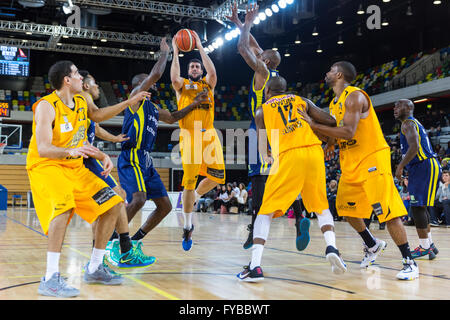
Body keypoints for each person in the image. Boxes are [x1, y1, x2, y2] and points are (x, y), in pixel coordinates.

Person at [299, 61, 418, 280]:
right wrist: (327, 142)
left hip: (371, 158)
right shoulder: (335, 103)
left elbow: (349, 131)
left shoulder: (354, 96)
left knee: (388, 213)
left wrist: (314, 125)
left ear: (340, 75)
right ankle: (372, 244)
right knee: (346, 210)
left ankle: (409, 262)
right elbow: (335, 135)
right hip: (350, 162)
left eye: (331, 69)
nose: (327, 72)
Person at [27, 60, 133, 297]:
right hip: (47, 166)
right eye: (76, 74)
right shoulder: (47, 106)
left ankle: (95, 267)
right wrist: (69, 152)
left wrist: (102, 154)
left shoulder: (79, 104)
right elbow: (43, 148)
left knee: (114, 203)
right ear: (67, 80)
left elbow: (81, 141)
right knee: (63, 208)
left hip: (74, 167)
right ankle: (50, 277)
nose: (80, 78)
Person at [237, 76, 346, 282]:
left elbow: (261, 141)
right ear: (285, 90)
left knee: (265, 212)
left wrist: (266, 157)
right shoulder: (301, 101)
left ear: (268, 91)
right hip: (314, 153)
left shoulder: (262, 110)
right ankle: (332, 247)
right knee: (321, 206)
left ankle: (255, 266)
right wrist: (313, 123)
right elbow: (331, 121)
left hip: (288, 155)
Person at [115, 37, 210, 261]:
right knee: (138, 198)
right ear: (139, 86)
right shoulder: (135, 101)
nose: (153, 86)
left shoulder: (154, 108)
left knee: (165, 206)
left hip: (145, 159)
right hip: (132, 156)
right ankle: (114, 239)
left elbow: (174, 117)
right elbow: (155, 75)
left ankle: (135, 239)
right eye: (147, 84)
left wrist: (195, 103)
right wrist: (166, 53)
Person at [226, 3, 304, 251]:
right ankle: (300, 217)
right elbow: (253, 46)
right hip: (279, 128)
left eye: (260, 56)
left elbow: (242, 46)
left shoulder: (261, 70)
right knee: (280, 174)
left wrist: (248, 22)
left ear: (265, 61)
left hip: (261, 126)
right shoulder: (273, 70)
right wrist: (240, 24)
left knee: (258, 178)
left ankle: (255, 228)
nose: (256, 54)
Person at [78, 70, 155, 269]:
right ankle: (116, 253)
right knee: (112, 201)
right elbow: (96, 118)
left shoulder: (81, 103)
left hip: (89, 161)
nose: (97, 87)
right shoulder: (82, 99)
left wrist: (114, 138)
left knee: (116, 198)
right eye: (94, 82)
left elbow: (94, 127)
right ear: (86, 85)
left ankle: (123, 249)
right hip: (82, 163)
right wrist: (129, 102)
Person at [171, 30, 225, 251]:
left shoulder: (208, 84)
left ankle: (194, 198)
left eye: (197, 67)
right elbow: (174, 77)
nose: (195, 69)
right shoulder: (182, 85)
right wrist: (175, 50)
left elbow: (212, 72)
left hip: (209, 133)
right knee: (189, 182)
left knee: (217, 177)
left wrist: (201, 47)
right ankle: (187, 225)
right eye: (192, 67)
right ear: (188, 70)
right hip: (189, 134)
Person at [394, 99, 441, 260]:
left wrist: (400, 166)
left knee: (417, 207)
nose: (395, 108)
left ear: (408, 108)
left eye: (398, 105)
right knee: (421, 207)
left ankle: (424, 247)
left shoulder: (407, 123)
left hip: (423, 165)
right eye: (394, 106)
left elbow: (414, 148)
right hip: (425, 166)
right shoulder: (411, 123)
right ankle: (429, 245)